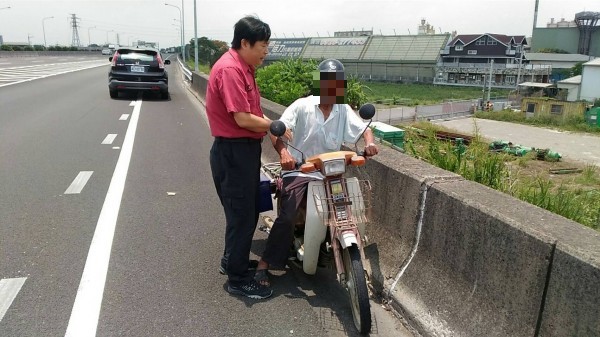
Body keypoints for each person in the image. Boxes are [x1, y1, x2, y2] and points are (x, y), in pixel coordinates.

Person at [254, 59, 379, 287]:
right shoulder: (302, 106)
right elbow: (276, 129)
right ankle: (265, 263)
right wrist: (284, 154)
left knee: (348, 208)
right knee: (289, 213)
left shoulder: (343, 109)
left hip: (331, 172)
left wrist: (369, 144)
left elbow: (364, 130)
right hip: (301, 169)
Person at [206, 15, 274, 299]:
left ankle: (230, 260)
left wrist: (269, 125)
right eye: (263, 45)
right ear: (244, 43)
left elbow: (254, 112)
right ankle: (237, 279)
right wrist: (273, 126)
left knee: (242, 212)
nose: (266, 51)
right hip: (234, 153)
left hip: (242, 152)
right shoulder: (231, 70)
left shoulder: (244, 67)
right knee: (243, 215)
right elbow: (244, 119)